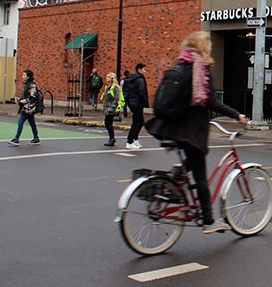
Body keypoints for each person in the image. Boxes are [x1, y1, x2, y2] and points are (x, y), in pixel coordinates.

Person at [145, 31, 247, 235]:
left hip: (172, 128)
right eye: (208, 44)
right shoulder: (201, 68)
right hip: (192, 131)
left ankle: (178, 174)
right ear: (203, 46)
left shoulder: (181, 64)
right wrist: (237, 115)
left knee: (191, 164)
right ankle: (209, 221)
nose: (210, 47)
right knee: (200, 175)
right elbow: (212, 102)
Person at [8, 69, 40, 146]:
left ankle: (16, 138)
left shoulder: (32, 85)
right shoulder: (25, 84)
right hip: (27, 107)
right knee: (32, 123)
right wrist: (19, 100)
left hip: (29, 108)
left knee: (20, 122)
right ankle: (36, 138)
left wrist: (21, 101)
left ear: (28, 77)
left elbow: (32, 97)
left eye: (24, 75)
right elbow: (25, 96)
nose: (22, 76)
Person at [125, 63, 148, 149]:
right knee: (137, 122)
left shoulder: (132, 79)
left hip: (132, 102)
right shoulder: (140, 79)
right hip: (137, 102)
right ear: (139, 69)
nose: (145, 71)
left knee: (139, 121)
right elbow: (142, 91)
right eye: (144, 69)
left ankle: (135, 138)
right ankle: (130, 141)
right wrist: (145, 101)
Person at [100, 72, 124, 146]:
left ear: (112, 79)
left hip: (111, 109)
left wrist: (112, 108)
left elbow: (116, 98)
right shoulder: (107, 87)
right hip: (107, 108)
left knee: (108, 123)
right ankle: (112, 138)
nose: (107, 78)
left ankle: (112, 139)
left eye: (108, 77)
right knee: (108, 123)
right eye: (107, 77)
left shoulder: (115, 87)